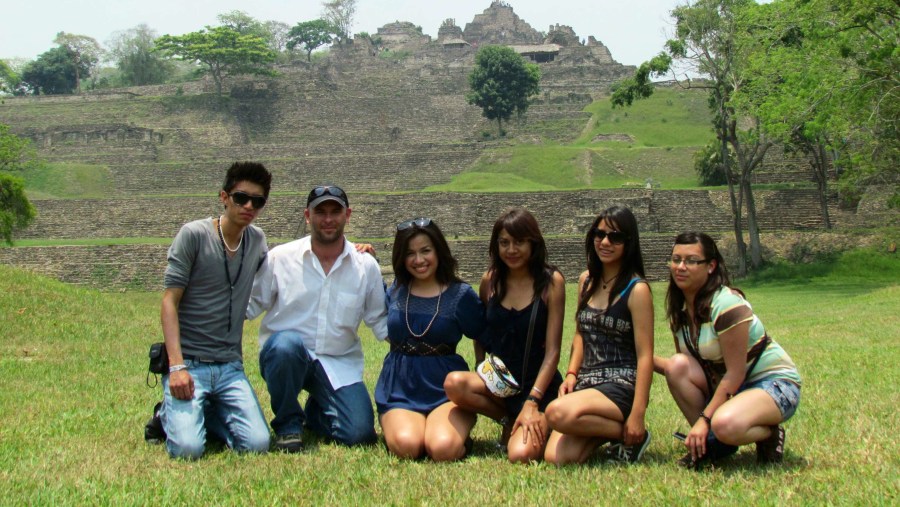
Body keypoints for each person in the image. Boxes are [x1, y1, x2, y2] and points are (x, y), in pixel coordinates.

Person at [247, 184, 388, 452]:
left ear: (347, 215)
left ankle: (316, 411)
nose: (327, 219)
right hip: (286, 357)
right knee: (285, 345)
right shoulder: (281, 258)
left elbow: (378, 319)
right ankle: (288, 423)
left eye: (335, 211)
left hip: (338, 363)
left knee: (358, 435)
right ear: (307, 215)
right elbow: (251, 305)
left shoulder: (365, 265)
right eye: (320, 211)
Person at [654, 232, 801, 468]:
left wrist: (704, 419)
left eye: (691, 261)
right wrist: (640, 355)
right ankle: (712, 444)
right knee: (677, 365)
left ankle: (768, 434)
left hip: (773, 383)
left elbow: (735, 374)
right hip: (732, 388)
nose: (680, 267)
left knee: (724, 424)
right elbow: (691, 368)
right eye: (676, 259)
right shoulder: (681, 310)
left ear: (711, 266)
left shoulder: (726, 303)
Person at [159, 161, 273, 460]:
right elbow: (169, 301)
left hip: (229, 366)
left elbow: (292, 260)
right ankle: (165, 416)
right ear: (224, 197)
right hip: (190, 363)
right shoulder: (194, 235)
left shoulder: (257, 240)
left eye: (257, 201)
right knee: (187, 450)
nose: (248, 206)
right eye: (241, 198)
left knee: (258, 444)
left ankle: (203, 410)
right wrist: (176, 366)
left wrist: (353, 250)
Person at [444, 207, 565, 463]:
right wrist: (481, 365)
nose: (511, 250)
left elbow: (553, 351)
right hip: (502, 384)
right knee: (455, 383)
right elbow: (479, 330)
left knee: (521, 455)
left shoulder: (551, 282)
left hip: (537, 384)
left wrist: (533, 400)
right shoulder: (491, 280)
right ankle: (508, 418)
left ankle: (539, 417)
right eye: (504, 243)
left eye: (519, 242)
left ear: (533, 242)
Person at [544, 206, 654, 465]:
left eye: (615, 237)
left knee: (556, 412)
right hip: (587, 381)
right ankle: (614, 435)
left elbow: (645, 355)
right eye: (599, 234)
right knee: (556, 458)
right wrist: (571, 373)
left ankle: (633, 432)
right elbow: (581, 333)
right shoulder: (586, 281)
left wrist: (638, 413)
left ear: (629, 243)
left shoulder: (637, 290)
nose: (605, 242)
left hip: (621, 383)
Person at [375, 218, 487, 460]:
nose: (419, 260)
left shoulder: (460, 294)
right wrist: (362, 252)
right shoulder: (396, 289)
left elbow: (481, 332)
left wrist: (480, 367)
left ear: (439, 250)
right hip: (400, 387)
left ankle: (454, 434)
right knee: (407, 446)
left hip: (445, 389)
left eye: (426, 251)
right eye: (410, 253)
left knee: (442, 448)